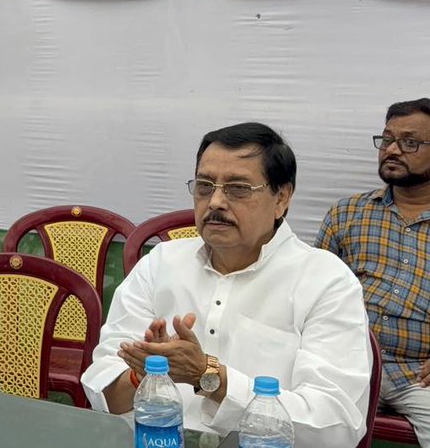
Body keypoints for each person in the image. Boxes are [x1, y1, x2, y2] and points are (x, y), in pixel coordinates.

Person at [81, 122, 371, 444]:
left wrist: (209, 376)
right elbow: (103, 391)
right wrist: (146, 373)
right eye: (205, 186)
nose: (216, 202)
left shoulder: (325, 281)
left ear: (282, 198)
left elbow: (336, 425)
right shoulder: (161, 263)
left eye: (238, 188)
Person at [317, 98, 430, 445]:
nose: (392, 150)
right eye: (386, 140)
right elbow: (308, 291)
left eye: (409, 142)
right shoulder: (347, 213)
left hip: (418, 376)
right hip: (344, 362)